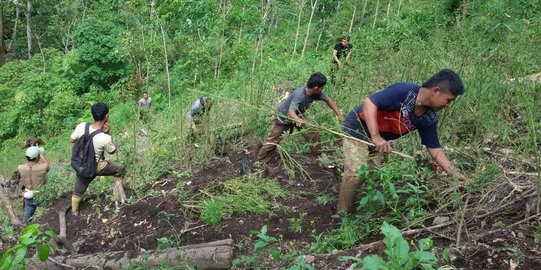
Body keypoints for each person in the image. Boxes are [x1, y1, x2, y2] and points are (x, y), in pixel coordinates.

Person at [337, 69, 467, 214]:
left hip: (381, 140)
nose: (448, 105)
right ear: (435, 91)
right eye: (448, 100)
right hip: (358, 127)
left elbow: (434, 147)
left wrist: (452, 172)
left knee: (374, 173)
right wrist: (376, 136)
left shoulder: (429, 117)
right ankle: (343, 215)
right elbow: (369, 103)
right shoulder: (404, 91)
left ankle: (360, 207)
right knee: (356, 172)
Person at [257, 72, 345, 166]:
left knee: (312, 131)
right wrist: (297, 120)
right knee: (273, 139)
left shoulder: (316, 92)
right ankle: (261, 161)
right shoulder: (300, 95)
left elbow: (328, 100)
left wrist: (339, 114)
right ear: (316, 87)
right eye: (322, 87)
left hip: (299, 115)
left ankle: (318, 154)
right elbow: (290, 112)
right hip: (284, 117)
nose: (322, 89)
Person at [70, 102, 126, 216]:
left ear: (93, 114)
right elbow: (112, 151)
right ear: (106, 116)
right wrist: (107, 133)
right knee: (120, 168)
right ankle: (118, 192)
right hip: (98, 167)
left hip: (82, 167)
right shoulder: (105, 138)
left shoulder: (82, 126)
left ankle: (74, 211)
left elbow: (72, 140)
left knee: (77, 192)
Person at [11, 146, 49, 224]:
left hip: (28, 196)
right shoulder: (44, 167)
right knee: (49, 211)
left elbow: (13, 181)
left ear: (26, 157)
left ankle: (24, 226)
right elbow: (46, 164)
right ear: (38, 157)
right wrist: (41, 154)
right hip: (41, 195)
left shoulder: (20, 168)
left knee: (27, 215)